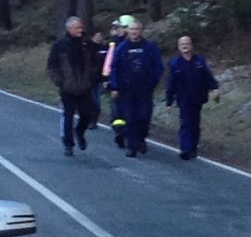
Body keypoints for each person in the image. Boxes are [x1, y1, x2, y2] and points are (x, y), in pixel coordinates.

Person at [107, 17, 164, 157]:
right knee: (130, 118)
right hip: (127, 90)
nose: (134, 32)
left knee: (144, 117)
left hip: (145, 90)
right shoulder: (122, 48)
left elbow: (158, 66)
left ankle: (141, 138)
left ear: (141, 31)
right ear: (128, 31)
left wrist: (152, 82)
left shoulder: (149, 47)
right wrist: (114, 86)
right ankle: (132, 146)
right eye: (132, 29)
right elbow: (114, 68)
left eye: (137, 29)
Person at [46, 15, 100, 154]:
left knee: (87, 114)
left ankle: (80, 132)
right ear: (69, 29)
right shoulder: (60, 46)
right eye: (77, 28)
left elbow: (96, 62)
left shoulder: (87, 44)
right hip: (67, 88)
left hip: (85, 87)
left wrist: (92, 78)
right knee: (68, 115)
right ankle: (68, 144)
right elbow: (52, 66)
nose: (80, 30)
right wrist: (60, 81)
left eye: (81, 27)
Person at [164, 35, 220, 161]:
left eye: (187, 43)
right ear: (179, 47)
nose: (185, 46)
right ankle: (185, 149)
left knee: (195, 123)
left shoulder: (199, 61)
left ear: (191, 45)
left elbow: (207, 77)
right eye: (182, 44)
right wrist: (169, 101)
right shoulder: (175, 64)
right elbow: (171, 84)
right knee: (186, 122)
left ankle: (193, 147)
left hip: (198, 97)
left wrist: (214, 88)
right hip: (183, 99)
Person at [104, 15, 132, 147]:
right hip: (117, 82)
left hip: (132, 83)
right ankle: (119, 132)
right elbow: (109, 62)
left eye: (119, 27)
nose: (117, 30)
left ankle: (127, 133)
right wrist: (106, 79)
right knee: (117, 110)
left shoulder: (137, 43)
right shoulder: (114, 43)